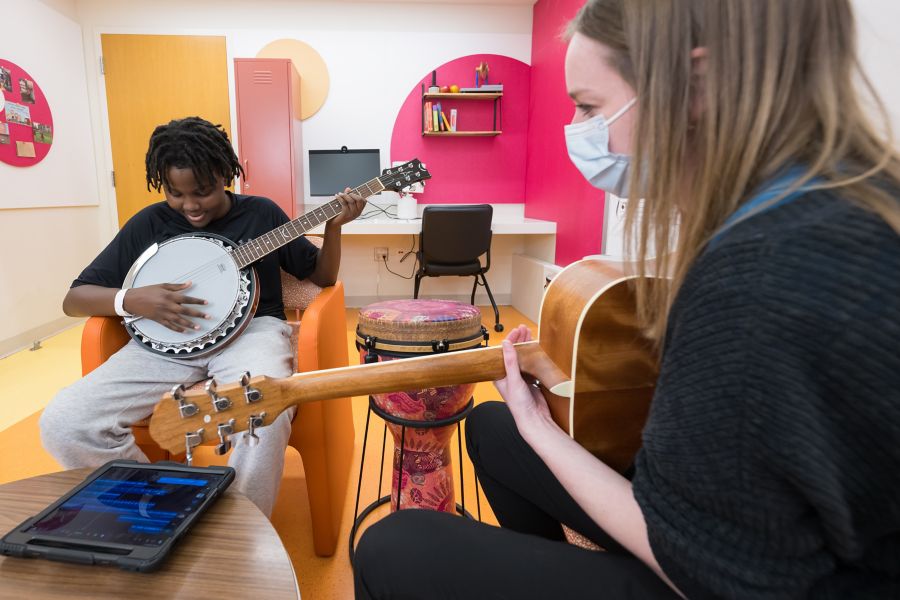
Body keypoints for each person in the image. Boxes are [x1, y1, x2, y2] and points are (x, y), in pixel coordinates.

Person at [353, 0, 900, 598]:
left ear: (696, 84)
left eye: (590, 106)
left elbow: (709, 563)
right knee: (495, 424)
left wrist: (545, 429)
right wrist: (535, 423)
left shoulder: (761, 273)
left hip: (735, 577)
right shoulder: (842, 199)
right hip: (745, 533)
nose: (579, 130)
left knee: (393, 547)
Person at [40, 116, 366, 517]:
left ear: (227, 174)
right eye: (175, 193)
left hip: (253, 332)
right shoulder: (150, 222)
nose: (190, 205)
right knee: (64, 422)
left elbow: (321, 276)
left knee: (261, 411)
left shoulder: (261, 214)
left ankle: (241, 529)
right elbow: (75, 298)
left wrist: (334, 228)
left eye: (204, 191)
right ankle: (161, 510)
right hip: (164, 346)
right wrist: (133, 300)